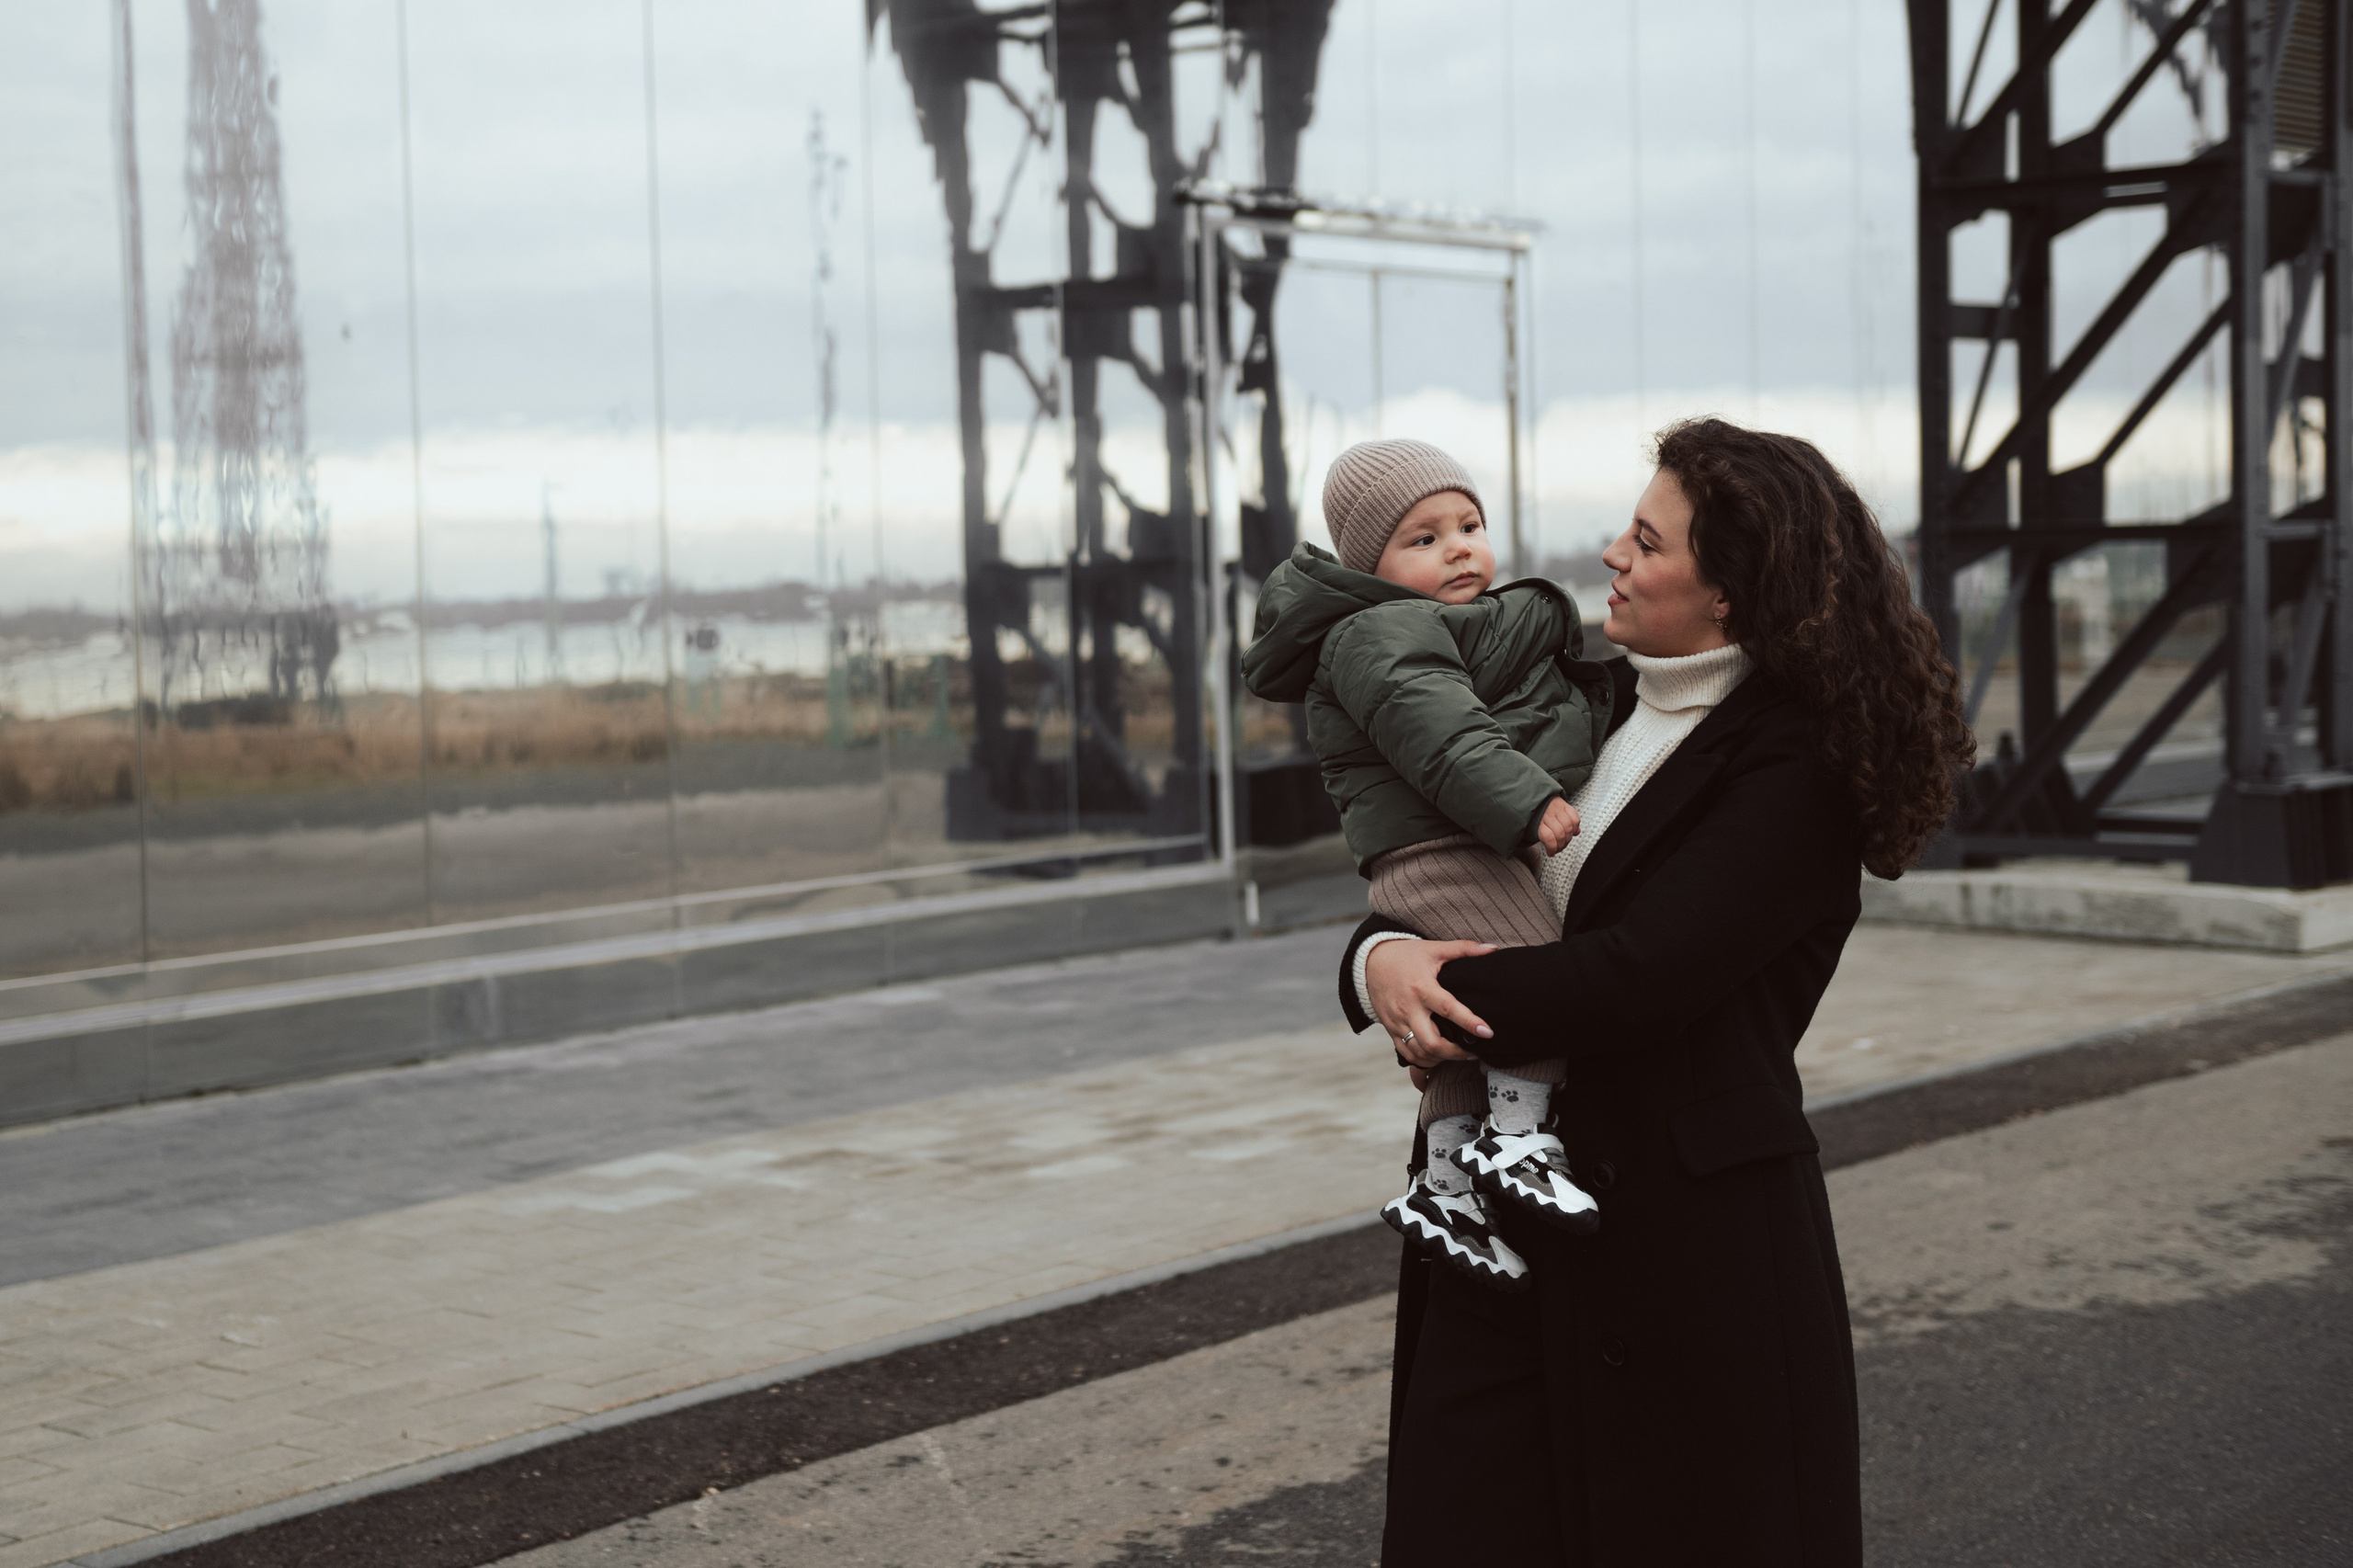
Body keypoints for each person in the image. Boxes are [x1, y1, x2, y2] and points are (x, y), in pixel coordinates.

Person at [1347, 419, 1974, 1566]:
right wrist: (1377, 965)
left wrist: (1445, 1006)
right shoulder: (1582, 702)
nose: (1612, 556)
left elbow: (1645, 976)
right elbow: (1440, 858)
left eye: (1647, 540)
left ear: (1731, 592)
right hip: (1504, 1224)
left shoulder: (1795, 769)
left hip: (1686, 1260)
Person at [1243, 439, 1615, 1291]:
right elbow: (1444, 738)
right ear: (1370, 566)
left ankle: (1446, 1183)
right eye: (1423, 538)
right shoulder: (1377, 634)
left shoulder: (1430, 630)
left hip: (1438, 852)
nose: (1458, 547)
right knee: (1533, 976)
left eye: (1470, 525)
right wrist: (1528, 801)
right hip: (1442, 851)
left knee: (1457, 1033)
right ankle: (1516, 1140)